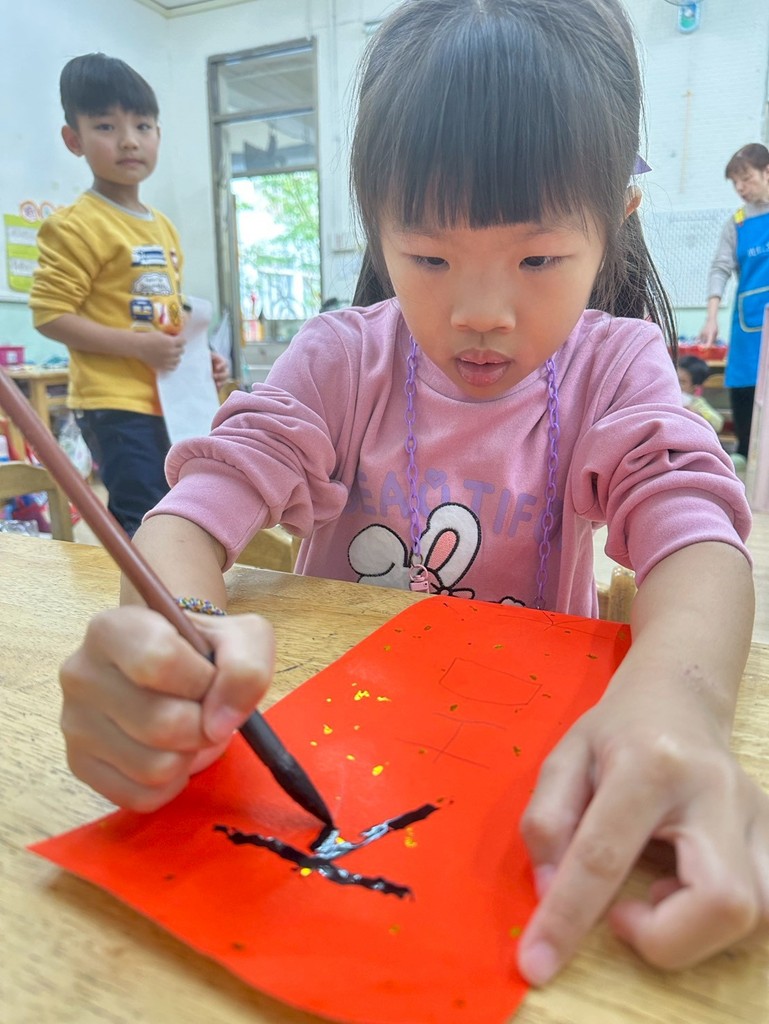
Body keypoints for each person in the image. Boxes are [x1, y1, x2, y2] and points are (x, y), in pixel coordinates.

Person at [59, 0, 767, 988]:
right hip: (330, 760)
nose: (480, 313)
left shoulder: (613, 366)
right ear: (377, 226)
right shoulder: (340, 359)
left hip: (515, 778)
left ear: (616, 222)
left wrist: (678, 704)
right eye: (428, 257)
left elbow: (696, 532)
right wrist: (173, 637)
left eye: (537, 259)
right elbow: (194, 512)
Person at [29, 53, 229, 536]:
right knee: (143, 517)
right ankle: (145, 587)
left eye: (142, 125)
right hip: (115, 403)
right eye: (105, 126)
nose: (128, 140)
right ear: (73, 139)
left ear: (158, 133)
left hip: (171, 401)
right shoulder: (75, 226)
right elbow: (50, 315)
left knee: (183, 507)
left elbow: (167, 317)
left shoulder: (163, 228)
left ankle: (173, 584)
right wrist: (137, 347)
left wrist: (198, 359)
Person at [698, 143, 769, 459]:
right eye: (735, 182)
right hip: (749, 322)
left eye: (747, 178)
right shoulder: (737, 222)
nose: (741, 188)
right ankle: (745, 456)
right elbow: (720, 268)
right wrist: (711, 317)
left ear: (767, 173)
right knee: (745, 390)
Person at [677, 354, 725, 433]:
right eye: (674, 379)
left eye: (682, 382)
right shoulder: (666, 397)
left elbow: (718, 423)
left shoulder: (697, 403)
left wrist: (697, 415)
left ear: (694, 388)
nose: (676, 384)